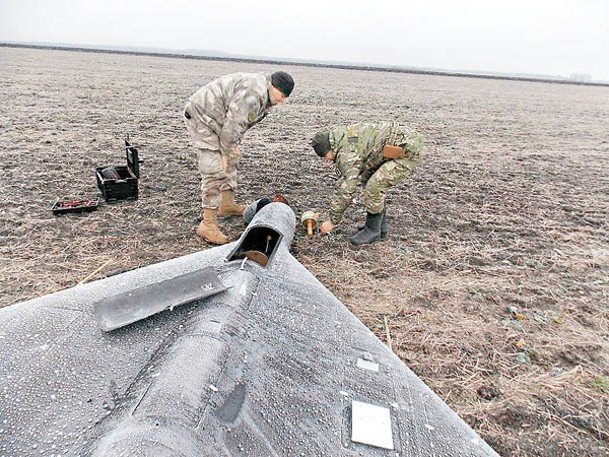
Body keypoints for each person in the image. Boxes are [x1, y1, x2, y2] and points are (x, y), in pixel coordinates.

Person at [183, 71, 295, 244]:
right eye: (282, 95)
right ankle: (207, 224)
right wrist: (225, 152)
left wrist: (231, 149)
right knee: (215, 168)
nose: (283, 101)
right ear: (273, 86)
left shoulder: (263, 94)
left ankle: (226, 204)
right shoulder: (254, 94)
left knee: (231, 158)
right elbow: (233, 126)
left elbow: (239, 125)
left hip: (220, 120)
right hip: (203, 118)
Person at [310, 122, 425, 245]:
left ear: (329, 148)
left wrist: (332, 222)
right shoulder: (342, 138)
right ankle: (380, 227)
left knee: (374, 187)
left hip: (408, 150)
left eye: (324, 156)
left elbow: (345, 190)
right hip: (397, 145)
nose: (326, 160)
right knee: (367, 178)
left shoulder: (346, 153)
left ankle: (373, 231)